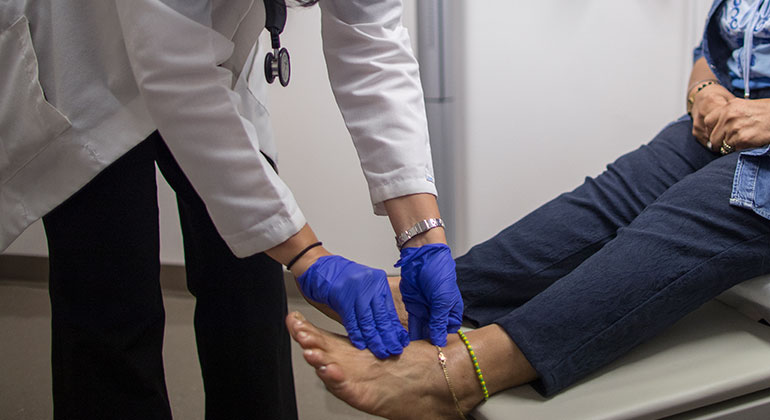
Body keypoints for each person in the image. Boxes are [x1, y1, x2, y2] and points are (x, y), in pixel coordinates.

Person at [285, 1, 770, 418]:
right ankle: (417, 297)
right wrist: (705, 92)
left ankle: (458, 374)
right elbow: (711, 54)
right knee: (609, 202)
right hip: (728, 119)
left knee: (687, 217)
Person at [0, 0, 462, 419]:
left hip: (194, 51)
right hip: (84, 53)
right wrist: (309, 257)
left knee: (251, 288)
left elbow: (371, 40)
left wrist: (424, 236)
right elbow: (177, 72)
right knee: (111, 296)